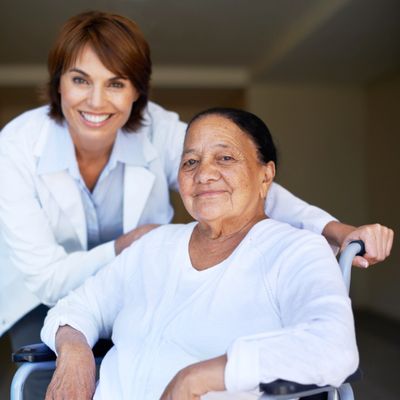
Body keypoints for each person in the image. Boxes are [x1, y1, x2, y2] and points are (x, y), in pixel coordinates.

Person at [41, 108, 360, 400]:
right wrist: (73, 351)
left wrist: (196, 379)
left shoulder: (295, 250)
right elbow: (78, 306)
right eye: (190, 162)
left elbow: (333, 346)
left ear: (266, 175)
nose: (204, 174)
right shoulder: (154, 245)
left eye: (225, 159)